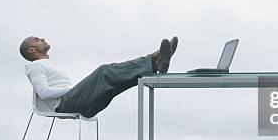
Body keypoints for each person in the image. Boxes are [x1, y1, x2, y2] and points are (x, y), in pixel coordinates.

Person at [19, 36, 178, 118]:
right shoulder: (35, 66)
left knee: (115, 83)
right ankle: (153, 59)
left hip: (74, 103)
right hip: (65, 104)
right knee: (104, 71)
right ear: (31, 51)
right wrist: (72, 89)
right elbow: (44, 92)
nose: (42, 39)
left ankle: (156, 65)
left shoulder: (44, 66)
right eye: (37, 40)